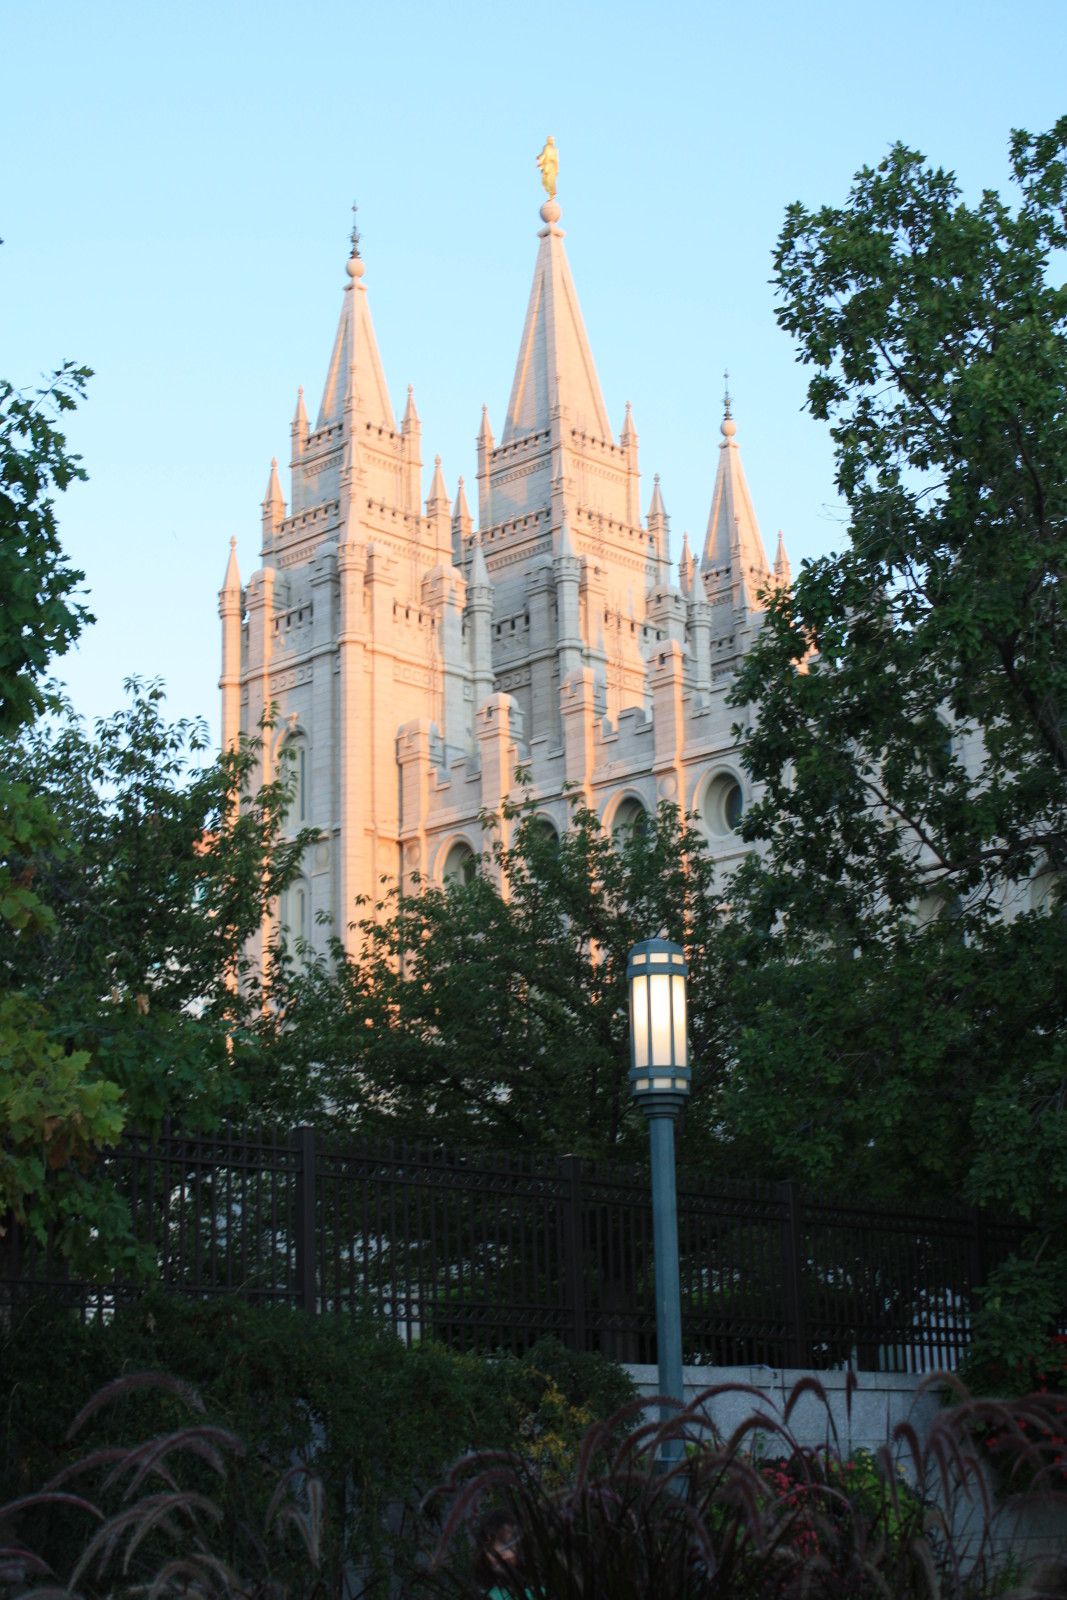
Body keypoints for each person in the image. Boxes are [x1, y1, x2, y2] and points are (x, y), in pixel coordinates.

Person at [473, 1509, 525, 1599]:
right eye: (491, 1548)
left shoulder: (538, 1585)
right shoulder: (486, 1594)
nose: (500, 1554)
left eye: (507, 1545)